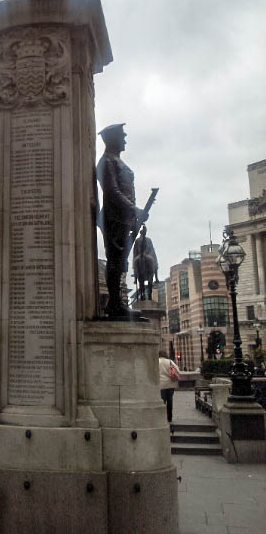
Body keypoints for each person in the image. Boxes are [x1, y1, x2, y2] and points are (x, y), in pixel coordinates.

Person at [96, 123, 148, 316]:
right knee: (115, 260)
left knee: (121, 260)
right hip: (113, 217)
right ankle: (115, 304)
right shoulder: (106, 161)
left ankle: (116, 303)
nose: (125, 140)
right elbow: (112, 192)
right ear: (113, 139)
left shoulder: (116, 160)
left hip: (124, 218)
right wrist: (134, 209)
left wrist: (133, 215)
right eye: (122, 136)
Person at [159, 350, 180, 423]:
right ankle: (169, 418)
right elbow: (177, 370)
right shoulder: (170, 361)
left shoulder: (157, 362)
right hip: (171, 384)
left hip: (161, 384)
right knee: (170, 400)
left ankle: (162, 417)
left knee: (162, 401)